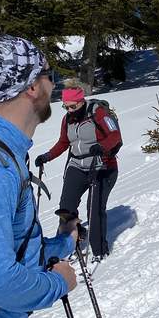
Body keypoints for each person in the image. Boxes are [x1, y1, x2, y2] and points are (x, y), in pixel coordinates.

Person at [0, 33, 132, 318]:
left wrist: (63, 241)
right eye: (49, 74)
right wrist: (58, 283)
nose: (56, 85)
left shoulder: (4, 156)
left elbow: (5, 252)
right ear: (32, 86)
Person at [35, 78, 122, 262]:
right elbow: (64, 142)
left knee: (94, 207)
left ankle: (99, 251)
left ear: (82, 101)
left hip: (102, 166)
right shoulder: (68, 119)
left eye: (73, 107)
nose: (69, 111)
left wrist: (102, 146)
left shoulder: (98, 113)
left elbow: (115, 135)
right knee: (66, 208)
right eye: (66, 107)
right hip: (77, 165)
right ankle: (71, 241)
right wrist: (47, 156)